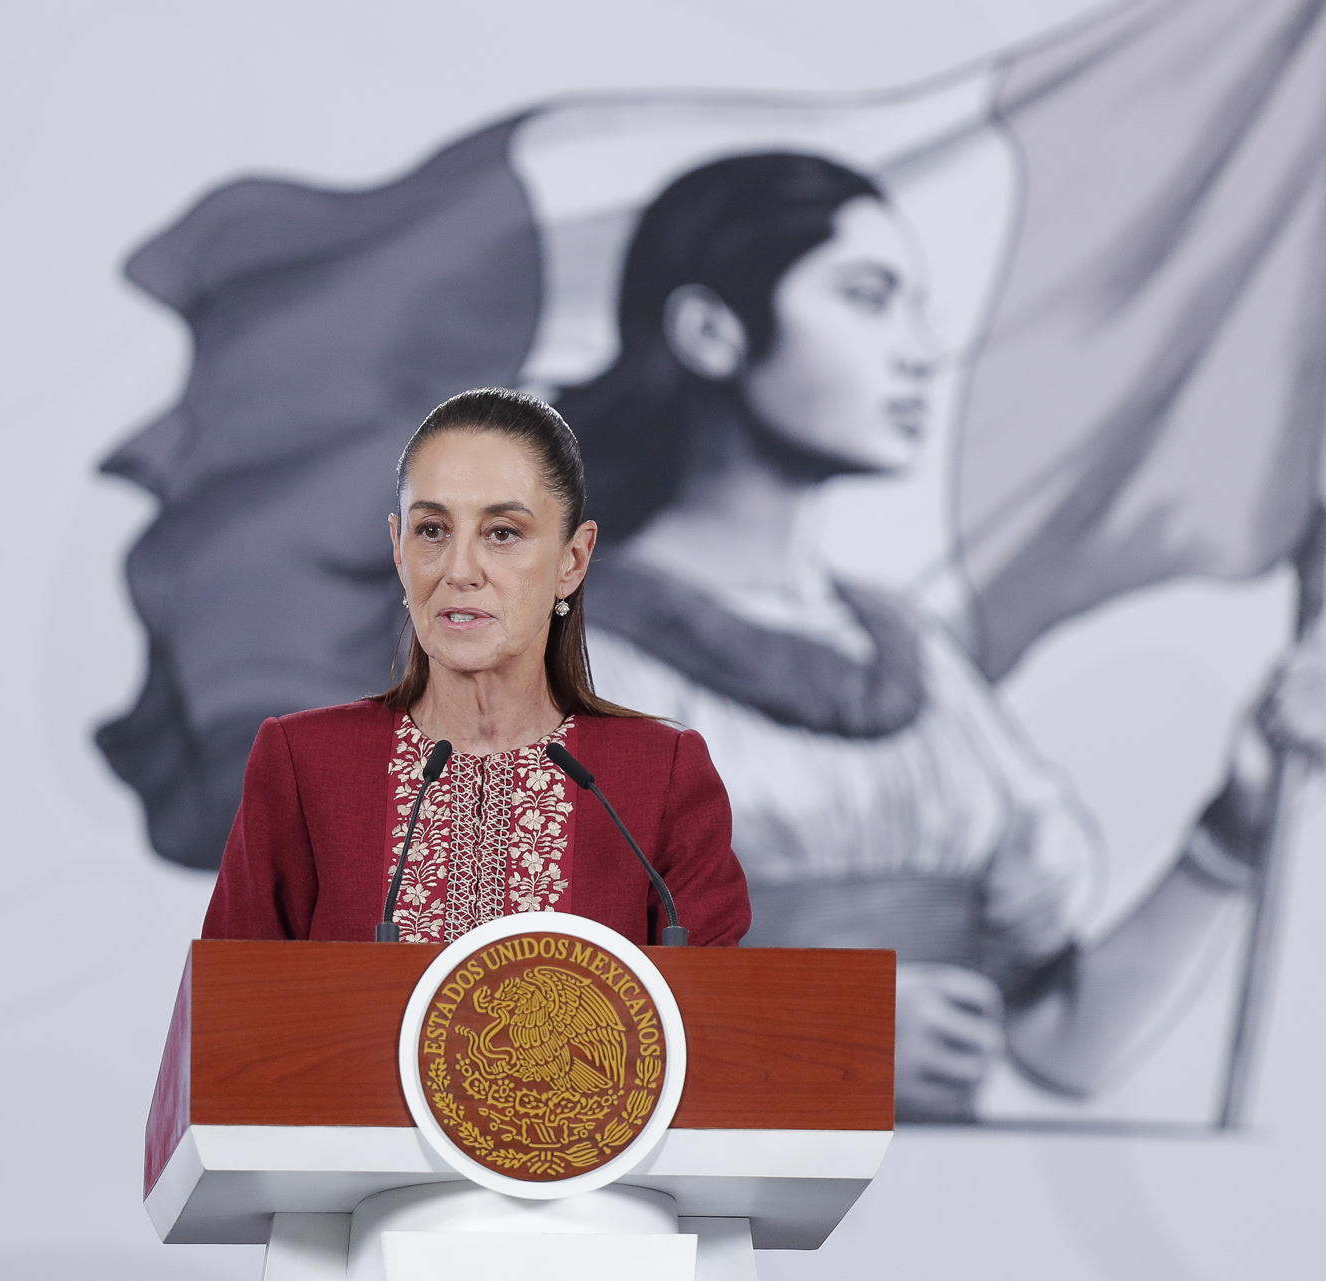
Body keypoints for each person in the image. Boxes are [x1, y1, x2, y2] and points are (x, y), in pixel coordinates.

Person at [562, 151, 1326, 1120]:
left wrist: (1237, 824)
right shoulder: (561, 664)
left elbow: (1062, 1048)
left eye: (916, 305)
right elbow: (475, 1024)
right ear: (712, 331)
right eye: (868, 298)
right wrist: (816, 1035)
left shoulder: (917, 665)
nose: (921, 349)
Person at [201, 388, 752, 948]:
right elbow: (231, 1016)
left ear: (573, 560)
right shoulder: (305, 764)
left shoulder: (660, 776)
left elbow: (714, 1026)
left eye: (502, 533)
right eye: (432, 531)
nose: (459, 570)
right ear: (398, 548)